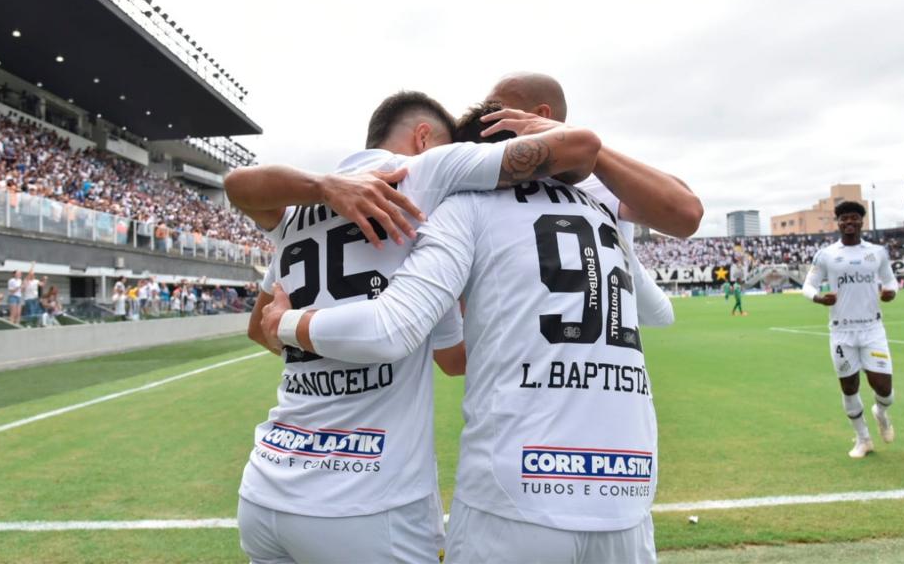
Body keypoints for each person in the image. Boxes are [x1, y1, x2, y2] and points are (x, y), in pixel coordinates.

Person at [264, 104, 671, 564]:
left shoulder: (460, 206)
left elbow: (387, 328)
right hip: (626, 492)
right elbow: (660, 311)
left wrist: (285, 324)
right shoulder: (604, 214)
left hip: (512, 492)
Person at [484, 72, 702, 239]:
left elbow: (686, 215)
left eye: (495, 110)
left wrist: (583, 149)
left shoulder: (597, 181)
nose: (485, 119)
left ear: (540, 115)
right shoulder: (483, 171)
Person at [802, 201, 897, 459]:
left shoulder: (877, 253)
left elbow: (890, 282)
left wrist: (890, 294)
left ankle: (881, 413)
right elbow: (808, 286)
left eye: (854, 217)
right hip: (842, 333)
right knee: (849, 387)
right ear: (838, 222)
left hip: (872, 329)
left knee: (884, 390)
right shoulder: (826, 255)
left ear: (861, 221)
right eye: (844, 218)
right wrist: (819, 299)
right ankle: (863, 439)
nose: (849, 222)